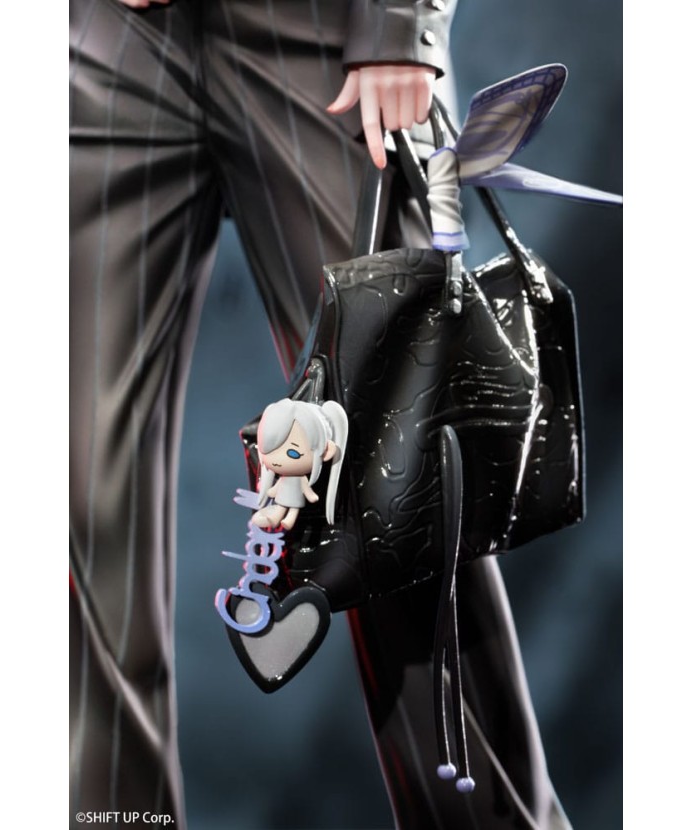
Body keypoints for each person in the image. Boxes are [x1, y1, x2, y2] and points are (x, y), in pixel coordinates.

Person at [69, 1, 569, 827]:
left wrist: (401, 18)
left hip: (330, 37)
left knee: (401, 489)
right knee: (80, 506)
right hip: (101, 40)